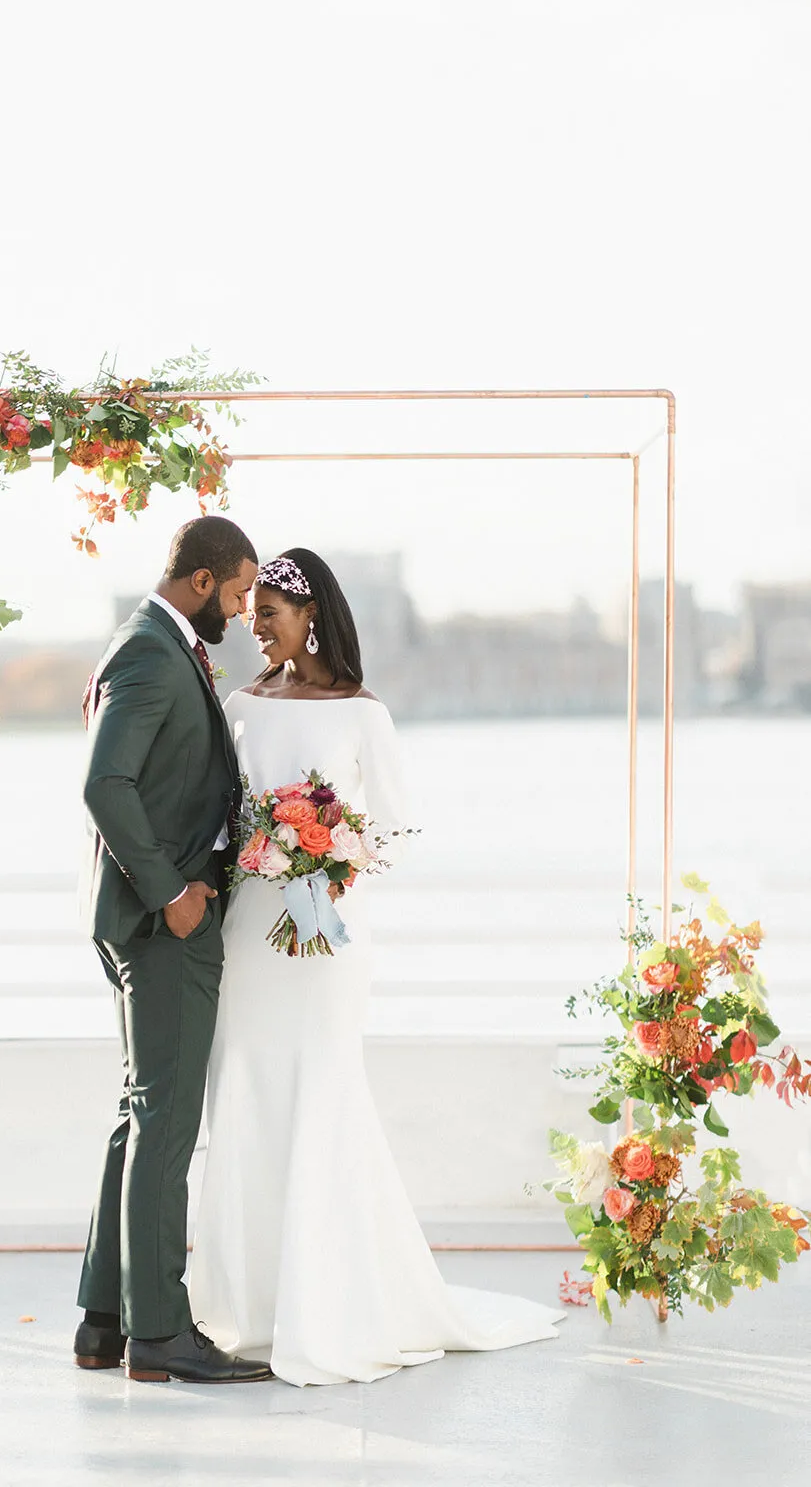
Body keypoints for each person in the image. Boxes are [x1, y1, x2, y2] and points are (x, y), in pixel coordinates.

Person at [188, 548, 565, 1386]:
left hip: (326, 936)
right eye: (253, 617)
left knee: (322, 1089)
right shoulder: (238, 706)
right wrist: (267, 850)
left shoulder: (363, 715)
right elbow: (217, 817)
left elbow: (390, 830)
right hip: (251, 928)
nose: (258, 628)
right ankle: (244, 1308)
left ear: (311, 613)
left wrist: (322, 858)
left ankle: (327, 1304)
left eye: (271, 615)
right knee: (243, 1086)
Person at [73, 516, 274, 1384]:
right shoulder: (151, 652)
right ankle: (161, 1334)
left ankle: (104, 1319)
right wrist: (173, 893)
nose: (242, 608)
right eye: (236, 593)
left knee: (138, 1116)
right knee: (165, 1123)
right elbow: (103, 783)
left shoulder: (159, 642)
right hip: (162, 928)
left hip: (152, 919)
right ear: (201, 581)